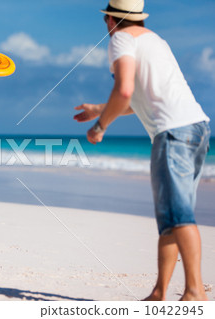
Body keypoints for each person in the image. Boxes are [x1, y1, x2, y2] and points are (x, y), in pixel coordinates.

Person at [74, 0, 210, 301]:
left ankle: (195, 292)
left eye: (105, 22)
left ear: (110, 20)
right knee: (169, 217)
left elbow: (123, 92)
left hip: (172, 132)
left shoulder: (120, 39)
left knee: (179, 214)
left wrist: (99, 127)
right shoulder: (155, 41)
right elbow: (137, 98)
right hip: (197, 128)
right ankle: (160, 292)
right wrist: (100, 109)